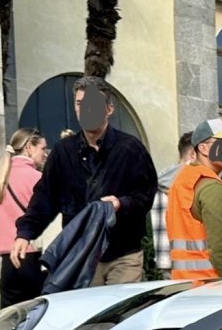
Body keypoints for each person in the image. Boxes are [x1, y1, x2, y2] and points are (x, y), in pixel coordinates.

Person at [10, 76, 155, 286]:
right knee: (91, 317)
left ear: (109, 109)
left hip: (123, 254)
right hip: (82, 254)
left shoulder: (131, 149)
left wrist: (120, 204)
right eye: (79, 104)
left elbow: (146, 196)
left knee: (119, 316)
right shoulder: (63, 151)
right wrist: (25, 233)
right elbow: (45, 197)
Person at [165, 118, 222, 280]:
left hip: (185, 282)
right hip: (213, 284)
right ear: (203, 148)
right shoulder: (211, 187)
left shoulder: (182, 181)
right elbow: (220, 246)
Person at [0, 127, 48, 306]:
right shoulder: (38, 178)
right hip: (32, 256)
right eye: (43, 148)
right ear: (29, 147)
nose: (45, 154)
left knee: (11, 325)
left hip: (7, 261)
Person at [145, 130, 195, 281]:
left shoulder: (158, 182)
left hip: (163, 260)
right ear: (193, 154)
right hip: (194, 261)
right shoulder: (195, 180)